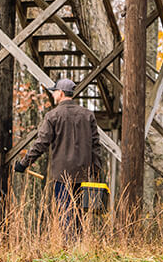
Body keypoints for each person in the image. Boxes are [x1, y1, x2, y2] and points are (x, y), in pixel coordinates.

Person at [14, 78, 101, 226]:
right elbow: (95, 146)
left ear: (60, 93)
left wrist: (24, 163)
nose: (53, 95)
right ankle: (77, 247)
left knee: (65, 212)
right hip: (83, 174)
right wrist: (96, 171)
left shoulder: (52, 116)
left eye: (54, 92)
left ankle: (67, 246)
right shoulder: (88, 115)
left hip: (61, 174)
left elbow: (41, 143)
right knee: (79, 214)